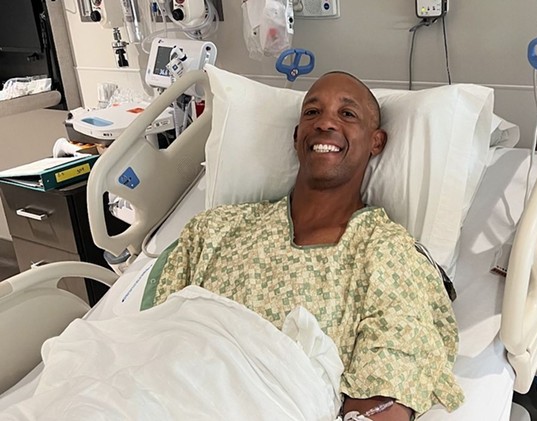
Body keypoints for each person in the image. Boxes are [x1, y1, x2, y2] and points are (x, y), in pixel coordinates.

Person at [143, 71, 464, 420]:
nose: (326, 122)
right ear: (298, 136)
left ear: (376, 142)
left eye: (347, 114)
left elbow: (384, 393)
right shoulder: (216, 230)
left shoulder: (386, 252)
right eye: (312, 112)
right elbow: (149, 341)